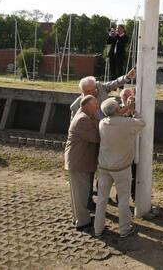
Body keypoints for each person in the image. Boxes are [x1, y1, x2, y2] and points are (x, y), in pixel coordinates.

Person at [94, 98, 145, 238]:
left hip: (104, 166)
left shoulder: (102, 123)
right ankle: (124, 229)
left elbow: (116, 120)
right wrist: (132, 110)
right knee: (123, 199)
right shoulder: (126, 123)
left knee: (102, 199)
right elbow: (142, 123)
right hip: (121, 168)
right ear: (117, 110)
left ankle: (98, 229)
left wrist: (123, 110)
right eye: (119, 105)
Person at [65, 95, 100, 230]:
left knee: (79, 193)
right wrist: (98, 122)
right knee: (81, 194)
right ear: (86, 106)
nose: (97, 107)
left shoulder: (83, 117)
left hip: (79, 161)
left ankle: (79, 218)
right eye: (95, 105)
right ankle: (82, 221)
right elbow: (96, 138)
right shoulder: (82, 120)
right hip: (79, 162)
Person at [70, 68, 136, 119]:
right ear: (82, 91)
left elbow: (114, 84)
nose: (91, 93)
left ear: (96, 86)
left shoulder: (100, 87)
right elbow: (74, 126)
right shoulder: (76, 106)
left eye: (93, 90)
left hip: (110, 122)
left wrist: (127, 77)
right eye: (87, 92)